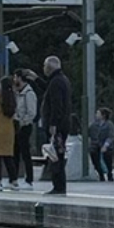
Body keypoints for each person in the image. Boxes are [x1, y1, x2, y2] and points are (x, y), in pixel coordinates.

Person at [40, 56, 71, 196]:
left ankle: (58, 186)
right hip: (63, 124)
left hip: (58, 126)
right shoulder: (61, 80)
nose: (43, 68)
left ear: (49, 67)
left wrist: (53, 124)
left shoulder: (56, 82)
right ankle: (59, 185)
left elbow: (56, 105)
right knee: (57, 154)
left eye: (45, 66)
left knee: (56, 155)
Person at [12, 70, 40, 190]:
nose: (14, 80)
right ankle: (14, 178)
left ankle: (29, 179)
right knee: (15, 152)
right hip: (17, 125)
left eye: (15, 77)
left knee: (25, 153)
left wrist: (22, 121)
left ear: (19, 78)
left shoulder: (29, 93)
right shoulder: (18, 93)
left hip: (24, 126)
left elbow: (32, 112)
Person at [87, 108, 114, 182]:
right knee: (94, 156)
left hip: (105, 144)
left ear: (103, 115)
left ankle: (109, 173)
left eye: (98, 113)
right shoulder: (94, 124)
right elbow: (88, 132)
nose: (96, 115)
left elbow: (111, 136)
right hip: (95, 144)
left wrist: (106, 145)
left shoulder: (109, 124)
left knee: (107, 157)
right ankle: (100, 173)